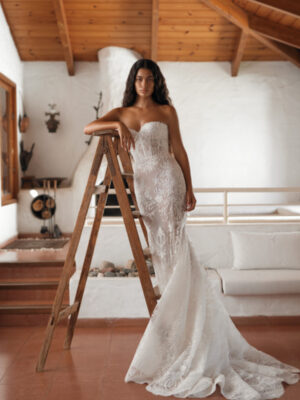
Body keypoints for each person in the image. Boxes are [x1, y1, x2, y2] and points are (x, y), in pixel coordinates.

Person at [84, 59, 300, 399]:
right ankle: (178, 330)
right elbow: (88, 127)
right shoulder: (120, 113)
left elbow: (178, 150)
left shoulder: (167, 111)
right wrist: (118, 128)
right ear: (133, 81)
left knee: (175, 248)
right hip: (145, 190)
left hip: (169, 183)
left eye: (149, 79)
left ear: (156, 82)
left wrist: (191, 187)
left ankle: (187, 333)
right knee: (161, 252)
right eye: (139, 78)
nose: (144, 84)